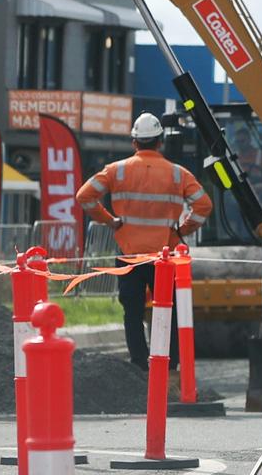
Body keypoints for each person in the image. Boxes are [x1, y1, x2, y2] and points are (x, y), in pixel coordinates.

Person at [76, 112, 214, 371]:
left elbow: (84, 196)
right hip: (164, 255)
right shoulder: (178, 174)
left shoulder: (116, 170)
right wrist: (182, 230)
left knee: (132, 311)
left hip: (129, 255)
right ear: (160, 142)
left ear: (134, 142)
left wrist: (110, 221)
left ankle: (139, 363)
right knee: (167, 310)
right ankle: (169, 363)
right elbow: (204, 205)